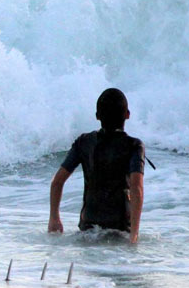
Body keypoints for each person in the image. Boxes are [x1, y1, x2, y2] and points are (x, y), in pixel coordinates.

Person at [48, 88, 145, 243]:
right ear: (127, 115)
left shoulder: (84, 142)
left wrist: (54, 218)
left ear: (97, 116)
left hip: (88, 229)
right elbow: (137, 188)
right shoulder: (133, 145)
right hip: (119, 230)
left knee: (89, 266)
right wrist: (134, 235)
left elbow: (57, 181)